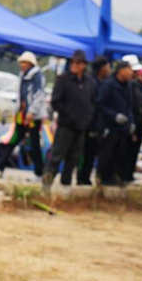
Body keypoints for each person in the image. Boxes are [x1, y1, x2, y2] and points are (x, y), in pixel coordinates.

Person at [43, 49, 94, 190]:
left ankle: (65, 184)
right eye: (73, 62)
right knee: (56, 155)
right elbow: (56, 101)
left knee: (74, 157)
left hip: (81, 125)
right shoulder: (63, 79)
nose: (75, 65)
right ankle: (47, 183)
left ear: (84, 64)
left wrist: (87, 117)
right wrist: (67, 114)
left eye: (78, 62)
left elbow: (92, 101)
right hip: (66, 124)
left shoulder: (89, 82)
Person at [0, 51, 48, 177]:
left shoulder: (38, 76)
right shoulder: (23, 75)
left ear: (30, 63)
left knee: (35, 143)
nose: (21, 65)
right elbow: (20, 95)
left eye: (24, 62)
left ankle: (38, 172)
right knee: (13, 139)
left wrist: (31, 112)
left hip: (33, 116)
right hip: (22, 114)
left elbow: (39, 95)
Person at [95, 60, 134, 186]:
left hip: (122, 127)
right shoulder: (109, 84)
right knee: (107, 153)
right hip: (109, 125)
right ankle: (103, 178)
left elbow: (129, 105)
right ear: (121, 70)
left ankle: (114, 177)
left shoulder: (128, 86)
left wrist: (131, 121)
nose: (131, 73)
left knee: (120, 153)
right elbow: (100, 104)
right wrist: (114, 116)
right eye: (128, 70)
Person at [77, 56, 111, 186]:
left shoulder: (104, 82)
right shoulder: (91, 82)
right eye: (107, 66)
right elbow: (93, 103)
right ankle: (81, 177)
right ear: (101, 68)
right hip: (89, 123)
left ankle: (86, 177)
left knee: (92, 153)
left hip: (98, 123)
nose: (109, 69)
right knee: (84, 152)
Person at [122, 63, 142, 184]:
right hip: (132, 122)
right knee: (127, 150)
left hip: (140, 123)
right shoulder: (132, 86)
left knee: (134, 150)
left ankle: (129, 174)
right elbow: (132, 105)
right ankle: (124, 174)